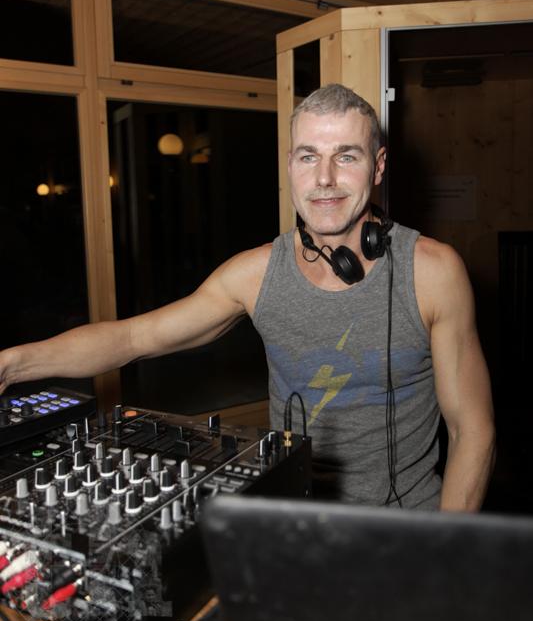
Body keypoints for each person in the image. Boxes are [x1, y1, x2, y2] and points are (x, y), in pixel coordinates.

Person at [0, 84, 495, 511]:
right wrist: (11, 365)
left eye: (347, 156)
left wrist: (445, 556)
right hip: (289, 521)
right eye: (308, 157)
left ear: (378, 166)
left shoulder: (431, 272)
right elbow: (133, 338)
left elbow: (472, 431)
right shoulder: (255, 274)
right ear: (290, 165)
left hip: (407, 528)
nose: (324, 178)